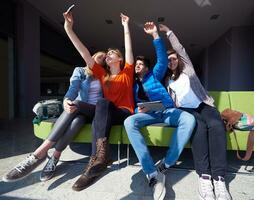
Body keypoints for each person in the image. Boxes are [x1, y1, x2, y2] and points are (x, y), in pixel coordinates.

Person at [2, 51, 106, 183]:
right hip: (80, 112)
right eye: (100, 56)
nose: (103, 58)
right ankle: (54, 158)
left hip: (95, 112)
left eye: (104, 58)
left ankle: (39, 153)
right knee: (77, 121)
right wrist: (66, 100)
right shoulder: (80, 71)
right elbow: (73, 88)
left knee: (77, 104)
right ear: (91, 57)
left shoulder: (105, 75)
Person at [62, 11, 134, 191]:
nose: (108, 55)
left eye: (112, 53)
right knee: (89, 105)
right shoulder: (103, 75)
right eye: (106, 54)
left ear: (119, 59)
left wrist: (125, 26)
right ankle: (96, 162)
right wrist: (68, 28)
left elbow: (129, 49)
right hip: (104, 112)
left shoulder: (127, 73)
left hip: (123, 112)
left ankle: (96, 160)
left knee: (102, 102)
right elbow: (84, 52)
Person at [124, 22, 196, 200]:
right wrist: (137, 108)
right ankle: (151, 171)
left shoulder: (153, 75)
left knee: (188, 120)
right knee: (129, 121)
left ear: (147, 68)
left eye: (141, 64)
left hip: (165, 111)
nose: (138, 66)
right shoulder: (133, 85)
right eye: (137, 64)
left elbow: (162, 59)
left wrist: (155, 35)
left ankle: (167, 162)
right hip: (147, 114)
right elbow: (132, 104)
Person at [159, 24, 232, 200]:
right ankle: (205, 177)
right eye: (168, 60)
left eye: (174, 58)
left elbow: (180, 48)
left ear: (179, 59)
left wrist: (169, 32)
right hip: (186, 110)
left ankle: (219, 179)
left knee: (215, 125)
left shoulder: (188, 69)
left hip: (203, 105)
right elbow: (171, 101)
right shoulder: (168, 81)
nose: (171, 61)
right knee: (199, 130)